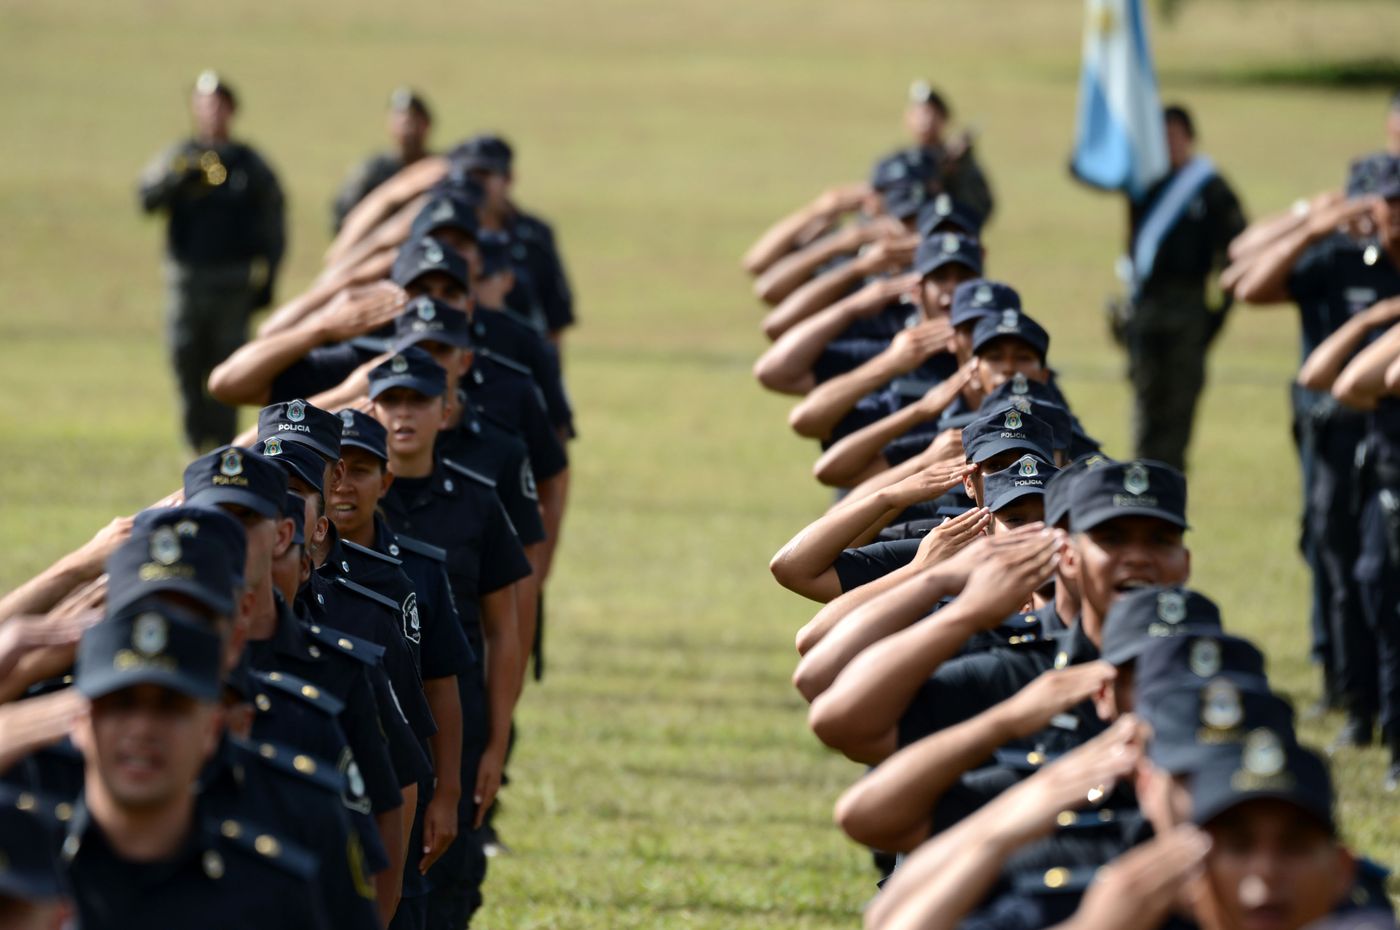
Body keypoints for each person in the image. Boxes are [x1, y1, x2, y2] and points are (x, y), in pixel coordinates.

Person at [65, 603, 327, 929]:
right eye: (120, 704)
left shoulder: (273, 893)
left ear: (213, 730)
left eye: (170, 706)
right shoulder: (25, 869)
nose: (143, 729)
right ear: (79, 722)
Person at [137, 70, 285, 451]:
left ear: (231, 111)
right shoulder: (180, 157)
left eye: (219, 105)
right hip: (187, 282)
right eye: (204, 104)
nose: (211, 112)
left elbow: (273, 220)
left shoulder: (249, 165)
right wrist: (176, 181)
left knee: (227, 370)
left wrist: (268, 277)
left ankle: (223, 450)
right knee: (185, 361)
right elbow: (146, 198)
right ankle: (194, 445)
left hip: (232, 284)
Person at [1119, 104, 1246, 471]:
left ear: (1190, 139)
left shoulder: (1211, 189)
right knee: (1145, 407)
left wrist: (1216, 313)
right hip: (1146, 310)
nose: (1169, 144)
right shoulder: (1143, 183)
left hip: (1187, 309)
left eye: (1176, 136)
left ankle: (1166, 491)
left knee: (1178, 412)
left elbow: (1237, 250)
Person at [333, 88, 434, 233]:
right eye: (401, 121)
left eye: (413, 121)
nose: (407, 130)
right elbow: (342, 215)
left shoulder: (439, 169)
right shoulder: (373, 170)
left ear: (425, 125)